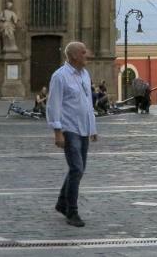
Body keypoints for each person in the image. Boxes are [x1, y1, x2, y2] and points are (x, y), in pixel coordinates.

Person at [47, 41, 98, 228]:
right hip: (69, 129)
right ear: (75, 55)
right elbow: (54, 105)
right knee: (76, 168)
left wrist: (93, 128)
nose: (88, 55)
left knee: (79, 168)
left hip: (83, 128)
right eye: (84, 52)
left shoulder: (85, 74)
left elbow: (87, 103)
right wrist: (57, 132)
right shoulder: (60, 76)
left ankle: (62, 202)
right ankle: (72, 211)